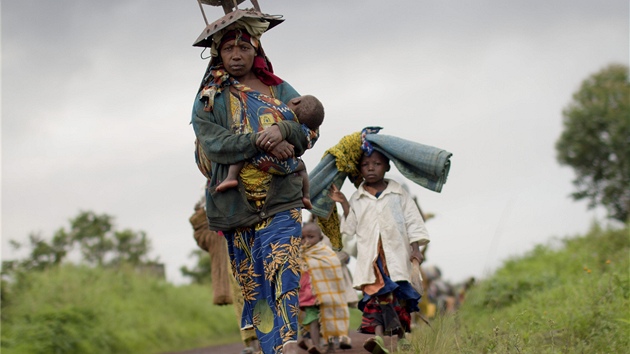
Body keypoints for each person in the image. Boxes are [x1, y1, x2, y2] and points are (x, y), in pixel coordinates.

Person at [191, 17, 317, 354]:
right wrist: (262, 141)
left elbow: (310, 127)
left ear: (255, 50)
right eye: (229, 47)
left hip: (282, 195)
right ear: (219, 53)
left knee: (284, 265)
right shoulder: (209, 98)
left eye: (244, 47)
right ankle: (271, 347)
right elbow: (213, 142)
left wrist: (284, 132)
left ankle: (289, 341)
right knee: (254, 285)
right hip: (235, 204)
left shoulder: (278, 89)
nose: (236, 54)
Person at [329, 150, 430, 354]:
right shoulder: (357, 198)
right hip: (372, 260)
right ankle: (378, 338)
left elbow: (413, 220)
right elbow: (350, 227)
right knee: (375, 297)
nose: (371, 168)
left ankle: (402, 339)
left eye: (377, 164)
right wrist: (344, 203)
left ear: (387, 167)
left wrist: (416, 250)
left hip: (397, 257)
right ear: (360, 170)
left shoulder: (398, 193)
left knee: (398, 297)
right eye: (366, 165)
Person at [215, 94, 324, 210]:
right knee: (302, 167)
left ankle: (231, 177)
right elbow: (304, 146)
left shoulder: (278, 113)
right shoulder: (305, 132)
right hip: (286, 164)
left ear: (296, 101)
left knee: (244, 151)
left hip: (260, 157)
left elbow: (261, 130)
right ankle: (306, 196)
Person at [297, 222, 351, 354]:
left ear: (320, 238)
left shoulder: (327, 254)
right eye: (303, 238)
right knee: (313, 320)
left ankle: (331, 345)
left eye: (311, 237)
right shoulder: (299, 255)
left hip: (327, 296)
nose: (306, 241)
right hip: (308, 296)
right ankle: (316, 346)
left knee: (329, 319)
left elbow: (334, 273)